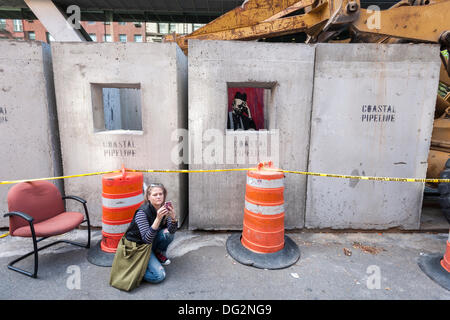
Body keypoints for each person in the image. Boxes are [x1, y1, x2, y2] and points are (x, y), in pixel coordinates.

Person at [123, 183, 178, 284]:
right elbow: (146, 239)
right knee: (159, 276)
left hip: (150, 243)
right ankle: (135, 271)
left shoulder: (164, 208)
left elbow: (172, 231)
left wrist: (173, 218)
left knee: (168, 233)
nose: (158, 197)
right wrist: (158, 219)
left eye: (161, 194)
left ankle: (157, 253)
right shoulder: (142, 212)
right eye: (155, 194)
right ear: (148, 197)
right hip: (138, 247)